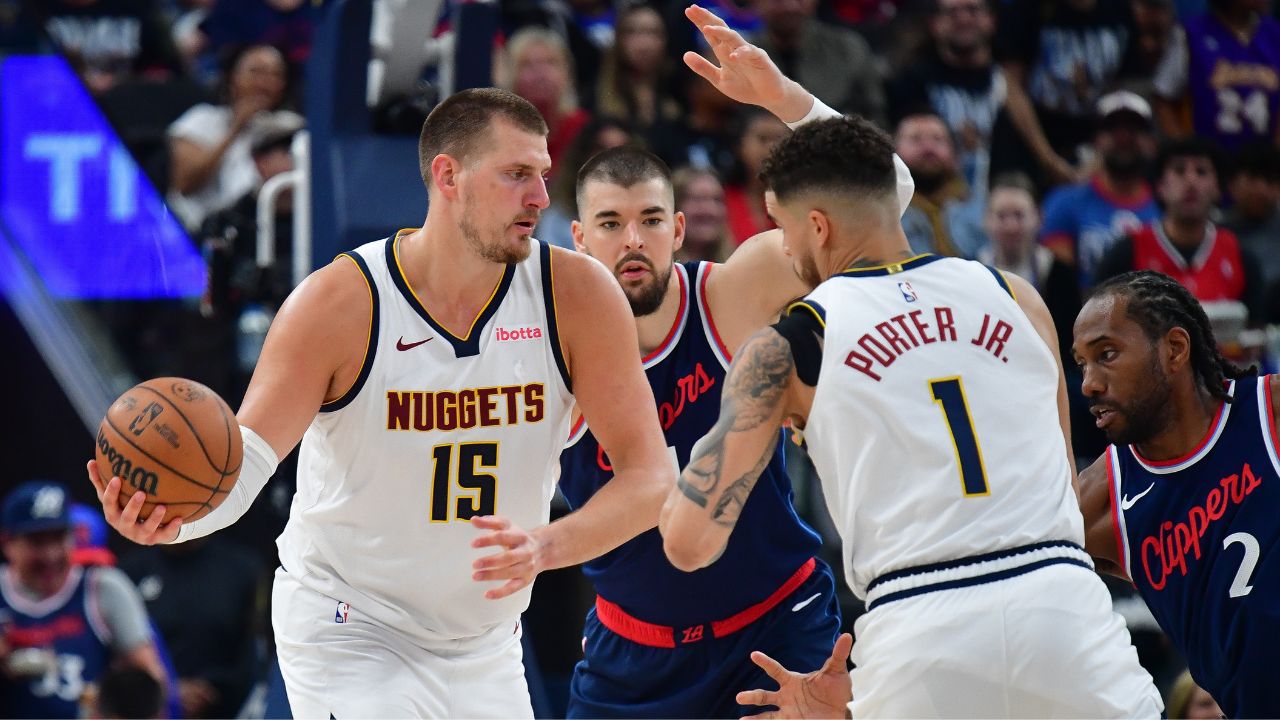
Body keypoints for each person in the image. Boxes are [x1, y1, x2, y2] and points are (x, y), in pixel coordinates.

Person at [88, 87, 673, 718]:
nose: (539, 197)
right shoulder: (340, 302)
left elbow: (650, 477)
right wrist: (175, 520)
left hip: (483, 642)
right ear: (449, 176)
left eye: (542, 175)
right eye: (516, 175)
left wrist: (546, 548)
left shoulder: (578, 295)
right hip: (351, 625)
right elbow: (243, 467)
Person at [657, 21, 1163, 712]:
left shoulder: (786, 347)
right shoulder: (1015, 295)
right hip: (1062, 606)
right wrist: (792, 101)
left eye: (779, 223)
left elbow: (690, 543)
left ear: (816, 228)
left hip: (921, 627)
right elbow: (1063, 476)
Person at [559, 53, 914, 707]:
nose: (632, 240)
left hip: (778, 629)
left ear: (680, 229)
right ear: (580, 237)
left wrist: (789, 100)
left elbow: (878, 202)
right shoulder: (552, 347)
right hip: (630, 655)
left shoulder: (733, 293)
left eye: (650, 221)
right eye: (610, 224)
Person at [1073, 270, 1278, 717]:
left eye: (1106, 354)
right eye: (1081, 364)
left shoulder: (1270, 415)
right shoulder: (1099, 502)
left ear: (1174, 349)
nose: (1089, 383)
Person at [1, 481, 168, 718]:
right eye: (37, 541)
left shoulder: (102, 587)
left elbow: (150, 689)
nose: (51, 554)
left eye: (59, 538)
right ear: (7, 542)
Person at [1094, 138, 1267, 326]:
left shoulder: (1240, 256)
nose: (1191, 181)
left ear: (1217, 188)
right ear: (1160, 187)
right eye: (1179, 170)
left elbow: (1257, 330)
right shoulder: (1128, 251)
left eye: (1201, 171)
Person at [167, 44, 302, 231]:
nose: (264, 82)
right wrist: (236, 128)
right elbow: (185, 183)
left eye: (276, 74)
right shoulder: (200, 120)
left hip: (270, 232)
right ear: (232, 76)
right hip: (204, 232)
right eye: (256, 72)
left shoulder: (291, 127)